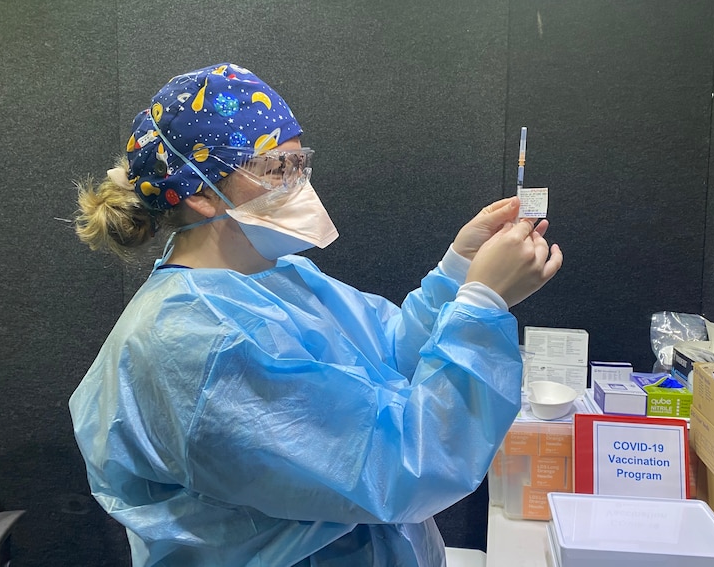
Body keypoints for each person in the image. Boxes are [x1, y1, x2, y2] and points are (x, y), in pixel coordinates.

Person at [69, 63, 562, 567]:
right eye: (275, 170)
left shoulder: (277, 277)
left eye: (299, 163)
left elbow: (391, 358)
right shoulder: (198, 344)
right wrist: (481, 306)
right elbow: (406, 466)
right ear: (198, 191)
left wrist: (458, 270)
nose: (299, 185)